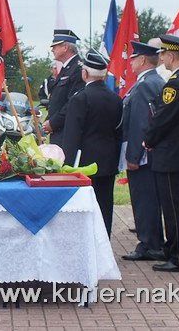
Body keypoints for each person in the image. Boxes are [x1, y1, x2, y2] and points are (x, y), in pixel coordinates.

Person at [143, 34, 179, 273]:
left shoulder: (176, 83)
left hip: (171, 154)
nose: (162, 59)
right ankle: (176, 250)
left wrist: (149, 139)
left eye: (163, 54)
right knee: (175, 203)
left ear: (170, 55)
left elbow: (164, 118)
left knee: (173, 205)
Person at [61, 49, 122, 236]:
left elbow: (72, 136)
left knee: (83, 207)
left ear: (84, 73)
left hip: (84, 164)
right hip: (108, 162)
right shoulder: (116, 99)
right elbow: (119, 131)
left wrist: (66, 165)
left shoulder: (80, 98)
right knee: (105, 206)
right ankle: (104, 242)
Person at [120, 41, 166, 262]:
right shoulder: (153, 82)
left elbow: (140, 122)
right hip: (151, 152)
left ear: (143, 61)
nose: (130, 62)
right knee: (148, 198)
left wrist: (133, 157)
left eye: (133, 58)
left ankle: (149, 243)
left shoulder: (145, 85)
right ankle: (152, 241)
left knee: (144, 199)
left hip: (144, 155)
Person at [42, 29, 84, 145]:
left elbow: (72, 103)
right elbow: (57, 100)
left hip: (67, 131)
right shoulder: (67, 68)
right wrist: (48, 121)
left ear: (65, 47)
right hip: (59, 130)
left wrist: (53, 122)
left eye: (55, 46)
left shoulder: (77, 69)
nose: (52, 49)